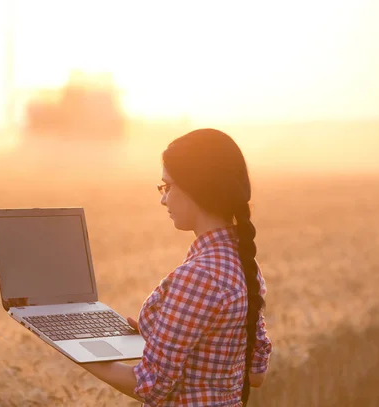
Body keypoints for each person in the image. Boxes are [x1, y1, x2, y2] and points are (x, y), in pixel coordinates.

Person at [81, 128, 272, 406]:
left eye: (167, 186)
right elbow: (256, 374)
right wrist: (159, 336)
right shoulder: (244, 263)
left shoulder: (198, 277)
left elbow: (151, 387)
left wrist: (79, 353)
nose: (163, 199)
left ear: (196, 187)